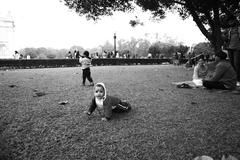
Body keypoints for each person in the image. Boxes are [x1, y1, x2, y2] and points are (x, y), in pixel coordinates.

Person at [225, 15, 240, 86]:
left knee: (237, 63)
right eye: (229, 21)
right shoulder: (229, 30)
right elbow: (228, 39)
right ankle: (234, 78)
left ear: (234, 20)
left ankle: (238, 79)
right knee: (232, 64)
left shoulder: (238, 28)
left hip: (237, 48)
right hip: (230, 48)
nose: (230, 22)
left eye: (231, 21)